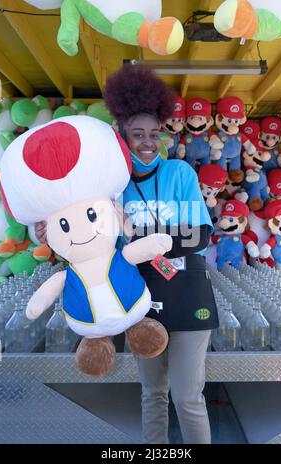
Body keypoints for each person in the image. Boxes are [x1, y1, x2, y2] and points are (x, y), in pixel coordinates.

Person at [104, 64, 219, 444]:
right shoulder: (113, 186)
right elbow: (97, 243)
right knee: (152, 394)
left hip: (188, 296)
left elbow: (198, 236)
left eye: (154, 133)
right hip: (141, 300)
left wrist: (135, 234)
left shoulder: (179, 173)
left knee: (188, 397)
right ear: (124, 136)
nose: (148, 142)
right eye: (138, 134)